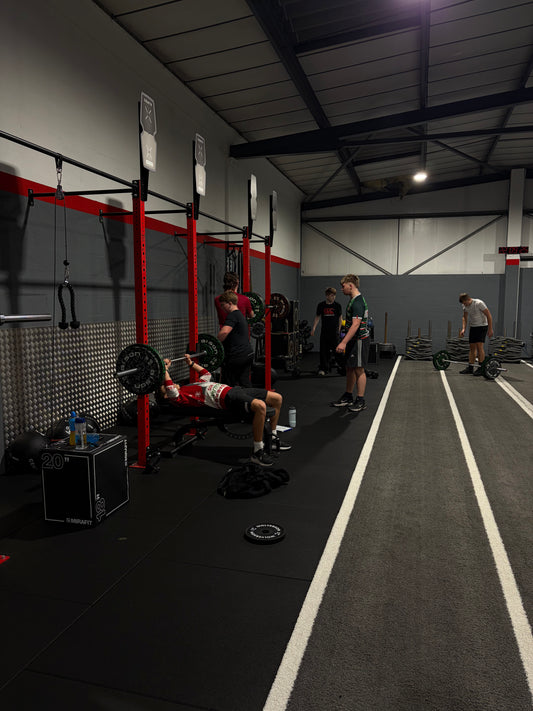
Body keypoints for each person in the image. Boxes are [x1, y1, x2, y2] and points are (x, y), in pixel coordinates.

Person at [157, 354, 291, 466]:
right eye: (165, 388)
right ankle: (257, 452)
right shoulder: (180, 397)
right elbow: (171, 390)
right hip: (226, 399)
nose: (172, 384)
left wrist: (191, 363)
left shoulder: (190, 386)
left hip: (234, 390)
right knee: (260, 406)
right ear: (166, 395)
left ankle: (272, 439)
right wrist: (164, 370)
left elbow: (206, 374)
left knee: (277, 398)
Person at [333, 274, 370, 412]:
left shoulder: (358, 302)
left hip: (359, 340)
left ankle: (361, 400)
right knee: (349, 367)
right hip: (353, 340)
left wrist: (343, 342)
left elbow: (355, 325)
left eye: (343, 286)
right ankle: (348, 396)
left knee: (359, 369)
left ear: (350, 285)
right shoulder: (353, 300)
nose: (341, 289)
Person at [217, 290, 254, 387]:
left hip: (237, 357)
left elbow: (224, 332)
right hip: (247, 354)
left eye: (223, 305)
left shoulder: (232, 316)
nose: (221, 308)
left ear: (230, 303)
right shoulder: (240, 315)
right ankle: (252, 397)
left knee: (228, 384)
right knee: (245, 383)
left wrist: (216, 343)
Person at [458, 293, 494, 375]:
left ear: (468, 299)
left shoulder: (479, 303)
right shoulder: (464, 305)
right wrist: (463, 328)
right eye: (463, 303)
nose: (464, 305)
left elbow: (489, 315)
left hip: (482, 326)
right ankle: (470, 367)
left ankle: (481, 368)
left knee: (479, 346)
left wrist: (490, 329)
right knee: (472, 347)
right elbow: (464, 317)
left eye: (465, 303)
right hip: (473, 327)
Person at [311, 287, 342, 375]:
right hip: (324, 332)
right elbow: (317, 317)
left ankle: (343, 367)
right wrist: (314, 328)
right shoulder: (321, 305)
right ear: (327, 296)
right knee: (324, 351)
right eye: (331, 295)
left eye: (334, 295)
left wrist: (339, 330)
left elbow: (340, 318)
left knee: (337, 351)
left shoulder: (337, 305)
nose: (333, 297)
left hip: (334, 332)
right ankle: (324, 369)